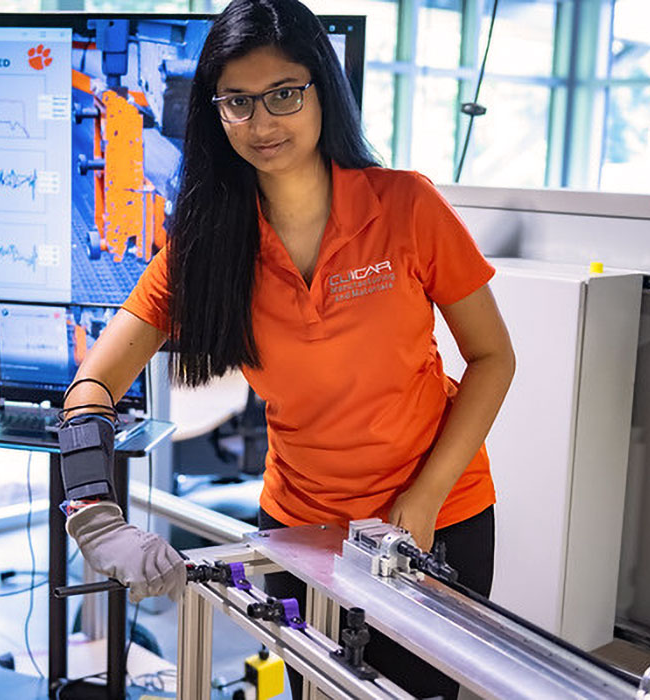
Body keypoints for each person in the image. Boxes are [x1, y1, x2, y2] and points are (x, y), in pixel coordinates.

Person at [60, 0, 515, 696]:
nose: (261, 122)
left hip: (436, 519)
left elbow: (492, 358)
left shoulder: (406, 207)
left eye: (283, 94)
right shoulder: (207, 246)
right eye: (237, 102)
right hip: (299, 532)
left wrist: (424, 498)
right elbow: (91, 388)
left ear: (321, 91)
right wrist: (94, 519)